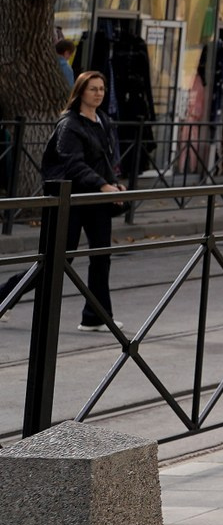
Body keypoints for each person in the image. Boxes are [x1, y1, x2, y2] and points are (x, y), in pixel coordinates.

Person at [45, 70, 126, 332]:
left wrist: (114, 183)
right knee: (58, 260)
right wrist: (103, 185)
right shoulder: (70, 124)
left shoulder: (102, 119)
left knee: (101, 256)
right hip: (72, 199)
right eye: (93, 89)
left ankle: (95, 316)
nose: (99, 93)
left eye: (102, 88)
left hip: (96, 199)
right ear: (80, 92)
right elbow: (73, 164)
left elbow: (105, 158)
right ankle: (4, 297)